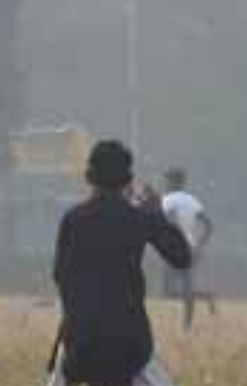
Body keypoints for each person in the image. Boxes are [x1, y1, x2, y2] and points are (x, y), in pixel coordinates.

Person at [51, 139, 191, 386]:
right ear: (127, 179)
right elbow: (181, 257)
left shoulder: (73, 220)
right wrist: (156, 213)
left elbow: (60, 276)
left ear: (89, 176)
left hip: (81, 345)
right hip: (130, 345)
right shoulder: (139, 218)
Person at [157, 169, 216, 328]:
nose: (164, 183)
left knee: (168, 291)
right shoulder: (192, 200)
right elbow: (209, 225)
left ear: (172, 182)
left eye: (166, 180)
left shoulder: (167, 199)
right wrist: (199, 245)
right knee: (185, 286)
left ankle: (188, 323)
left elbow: (171, 221)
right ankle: (201, 304)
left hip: (174, 247)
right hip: (191, 247)